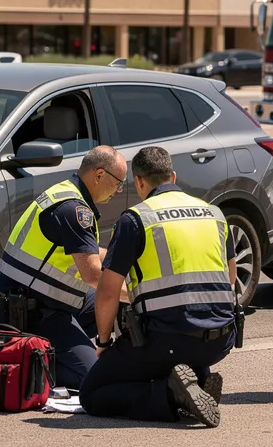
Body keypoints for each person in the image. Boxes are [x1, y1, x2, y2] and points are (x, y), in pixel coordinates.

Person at [79, 146, 237, 428]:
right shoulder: (214, 214)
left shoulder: (136, 219)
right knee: (174, 353)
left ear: (139, 181)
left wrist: (104, 342)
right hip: (219, 340)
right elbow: (231, 279)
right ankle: (196, 378)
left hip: (167, 340)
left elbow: (107, 291)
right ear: (172, 175)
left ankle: (172, 395)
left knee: (92, 394)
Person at [0, 145, 127, 390]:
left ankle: (90, 352)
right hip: (33, 313)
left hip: (47, 300)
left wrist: (130, 262)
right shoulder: (74, 210)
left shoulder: (66, 193)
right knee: (96, 380)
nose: (118, 191)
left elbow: (88, 252)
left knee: (115, 302)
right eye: (118, 183)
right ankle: (31, 366)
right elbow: (94, 275)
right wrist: (141, 292)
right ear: (98, 175)